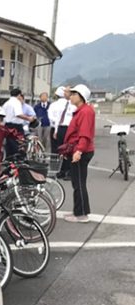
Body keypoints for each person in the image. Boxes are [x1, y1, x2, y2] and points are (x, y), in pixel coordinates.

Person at [62, 84, 95, 223]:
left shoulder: (85, 112)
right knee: (78, 182)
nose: (71, 96)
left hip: (81, 151)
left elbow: (84, 134)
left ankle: (81, 214)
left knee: (79, 183)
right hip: (78, 150)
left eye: (74, 94)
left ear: (81, 97)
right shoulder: (83, 110)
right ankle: (79, 210)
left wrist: (79, 151)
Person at [48, 86, 76, 179]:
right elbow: (58, 119)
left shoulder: (74, 105)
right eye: (64, 92)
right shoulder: (64, 105)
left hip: (70, 128)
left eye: (66, 92)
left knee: (69, 150)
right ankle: (62, 170)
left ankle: (69, 171)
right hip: (61, 127)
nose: (65, 93)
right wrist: (56, 130)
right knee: (61, 150)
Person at [2, 88, 33, 157]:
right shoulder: (16, 102)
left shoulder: (6, 103)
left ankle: (9, 159)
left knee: (9, 143)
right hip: (16, 127)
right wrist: (29, 118)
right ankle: (18, 159)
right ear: (19, 95)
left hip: (7, 125)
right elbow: (18, 114)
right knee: (19, 144)